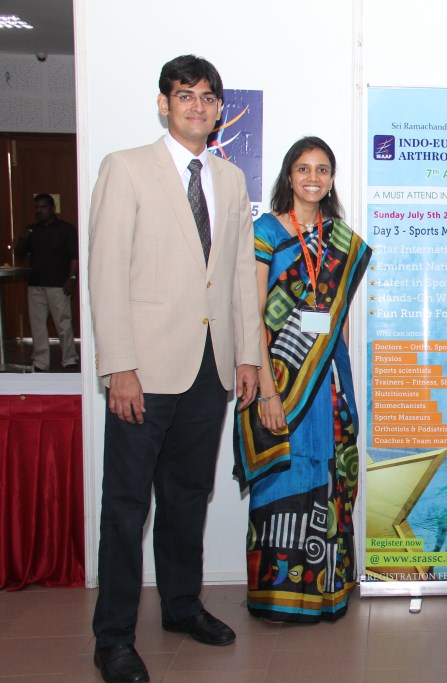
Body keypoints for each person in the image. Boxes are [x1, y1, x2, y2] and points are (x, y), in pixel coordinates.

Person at [88, 55, 261, 683]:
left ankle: (182, 607)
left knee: (188, 497)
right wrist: (120, 366)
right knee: (126, 506)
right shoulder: (125, 167)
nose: (197, 105)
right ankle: (112, 639)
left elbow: (237, 273)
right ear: (164, 104)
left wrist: (247, 354)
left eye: (207, 96)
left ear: (219, 110)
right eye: (184, 95)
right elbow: (106, 272)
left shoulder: (230, 179)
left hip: (210, 368)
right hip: (145, 370)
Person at [233, 137, 371, 623]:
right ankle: (277, 596)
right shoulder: (266, 231)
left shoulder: (340, 239)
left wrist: (342, 384)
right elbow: (252, 315)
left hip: (328, 381)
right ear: (289, 176)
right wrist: (268, 393)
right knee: (283, 481)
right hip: (281, 381)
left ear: (331, 179)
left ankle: (329, 591)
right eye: (303, 168)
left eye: (322, 169)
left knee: (331, 479)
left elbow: (339, 320)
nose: (313, 177)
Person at [14, 193, 79, 372]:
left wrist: (72, 278)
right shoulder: (31, 230)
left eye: (43, 207)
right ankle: (41, 362)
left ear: (52, 208)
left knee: (63, 323)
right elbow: (19, 254)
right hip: (36, 285)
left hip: (59, 284)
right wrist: (22, 239)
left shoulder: (66, 229)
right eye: (37, 207)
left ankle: (69, 359)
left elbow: (74, 256)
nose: (39, 211)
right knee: (37, 325)